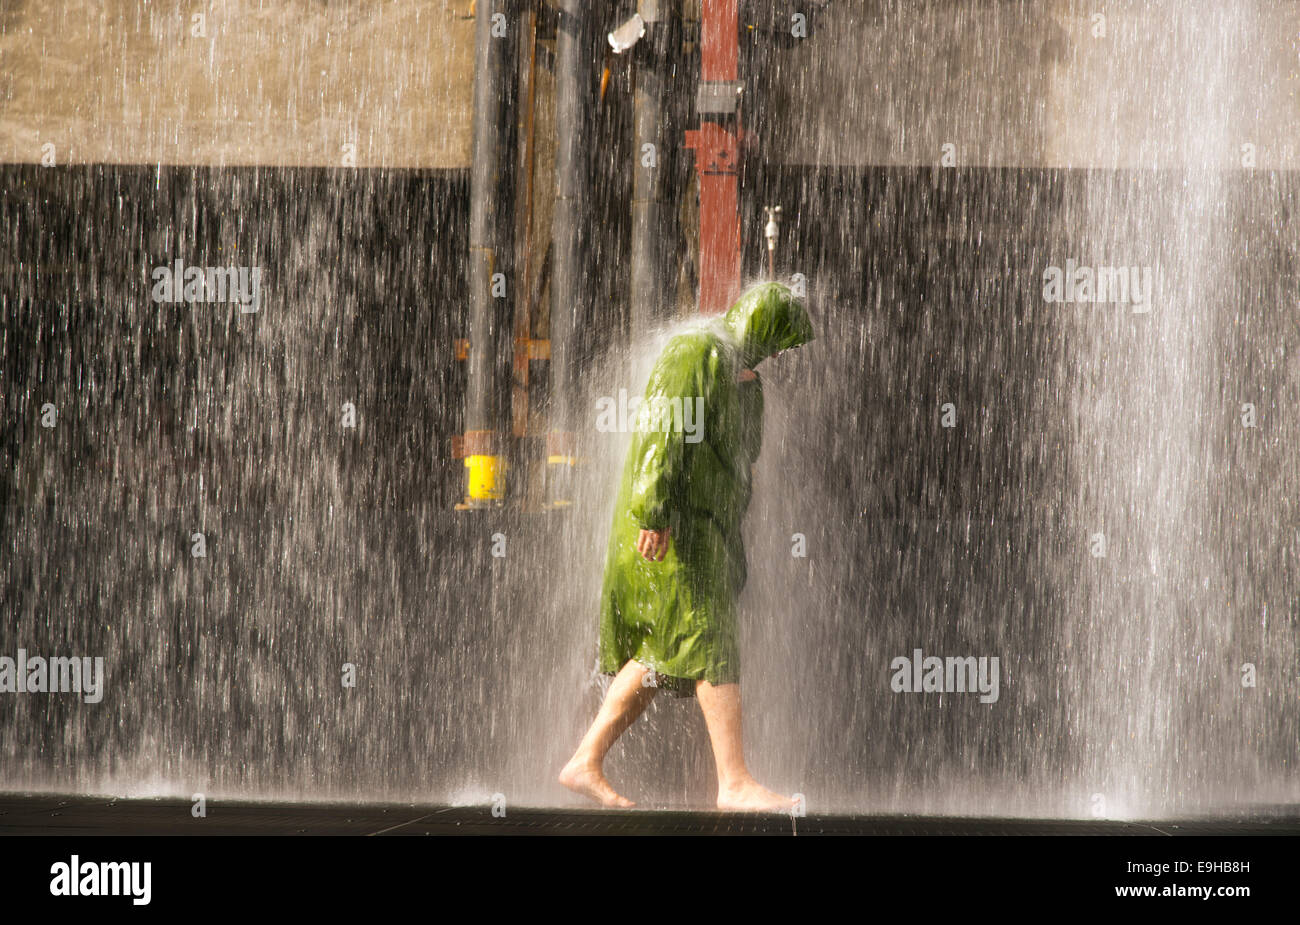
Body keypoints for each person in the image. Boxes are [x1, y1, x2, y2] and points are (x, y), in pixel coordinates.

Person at [560, 281, 814, 811]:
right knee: (710, 642)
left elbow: (741, 458)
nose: (778, 354)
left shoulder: (740, 375)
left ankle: (585, 760)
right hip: (672, 534)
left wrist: (744, 386)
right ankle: (735, 782)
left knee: (659, 655)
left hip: (700, 534)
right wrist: (654, 511)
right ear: (761, 326)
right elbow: (661, 428)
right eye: (779, 340)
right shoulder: (697, 349)